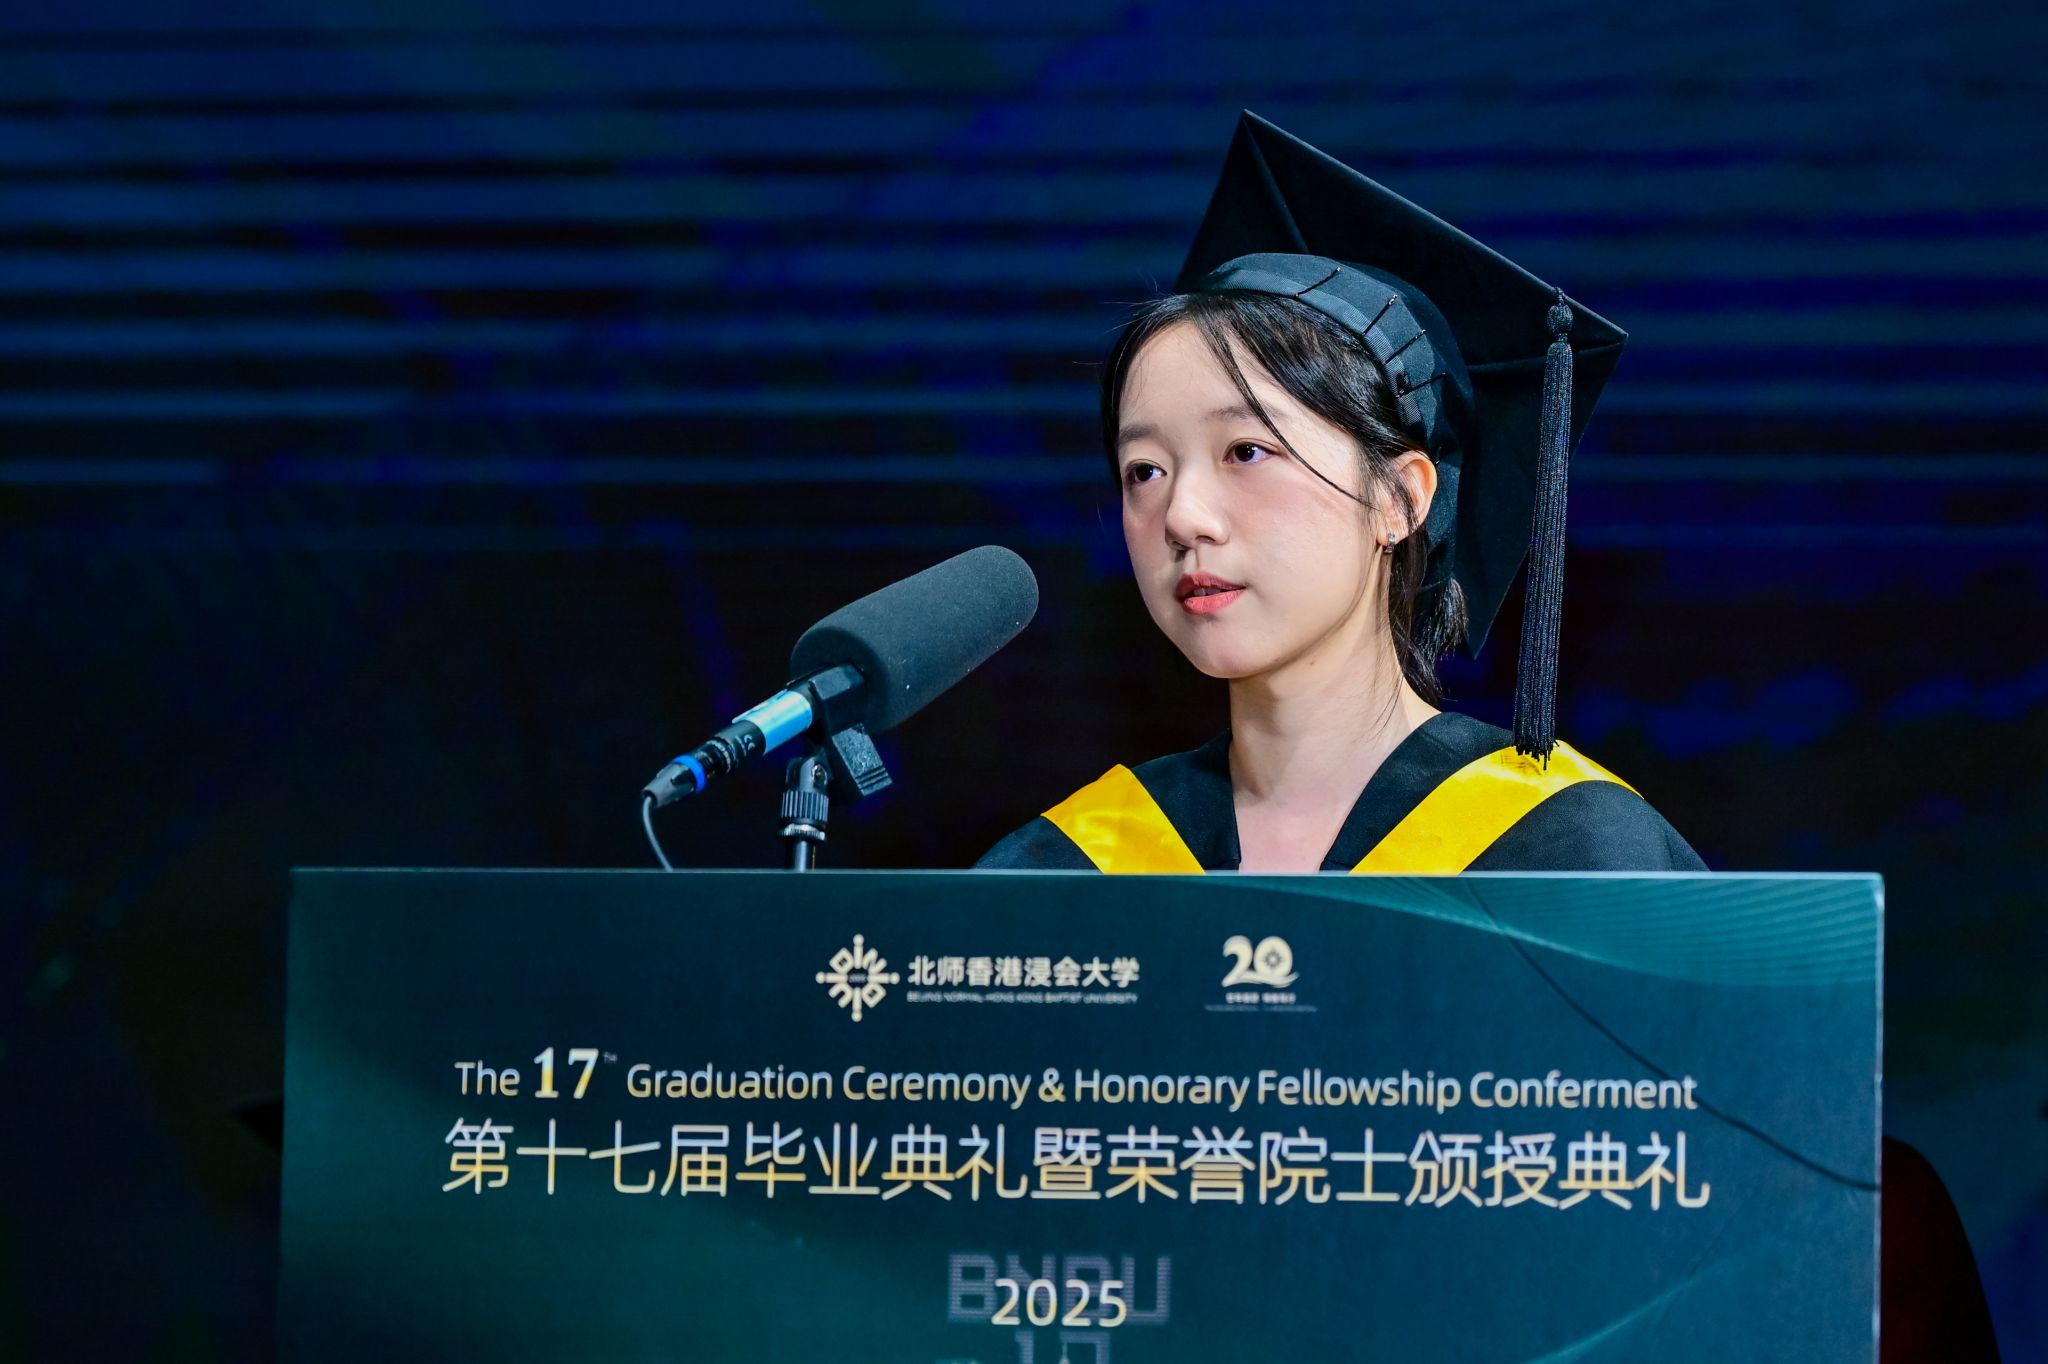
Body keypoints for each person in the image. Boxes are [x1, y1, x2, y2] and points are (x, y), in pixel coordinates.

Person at [978, 111, 1702, 874]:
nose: (1183, 517)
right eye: (1145, 470)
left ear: (1401, 498)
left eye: (1247, 451)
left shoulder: (1572, 853)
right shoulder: (1065, 870)